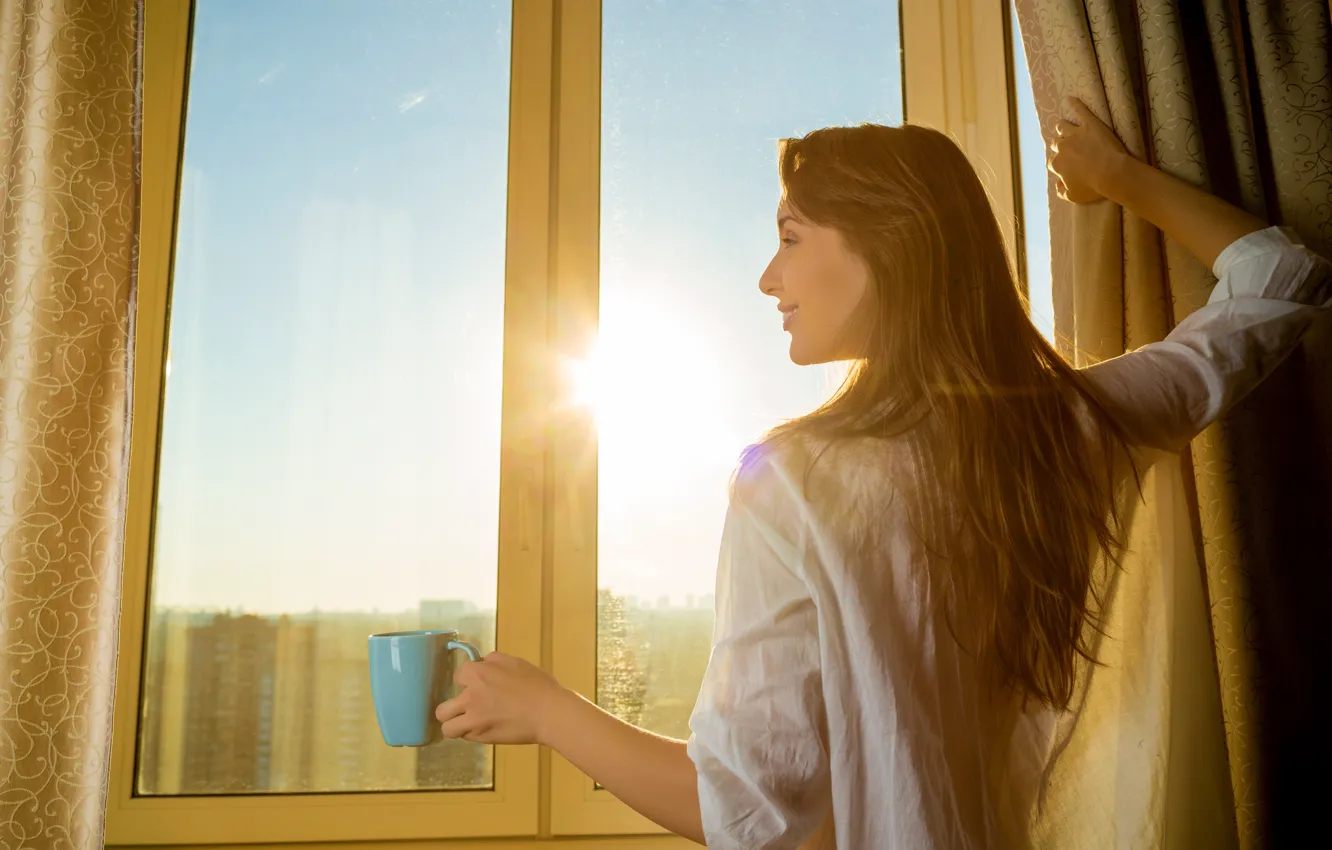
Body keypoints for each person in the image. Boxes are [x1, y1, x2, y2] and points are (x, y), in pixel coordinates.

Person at [433, 98, 1331, 848]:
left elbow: (747, 809)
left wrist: (549, 713)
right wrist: (1121, 179)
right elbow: (1280, 278)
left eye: (789, 236)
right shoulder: (1074, 428)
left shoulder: (791, 483)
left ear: (886, 242)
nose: (766, 277)